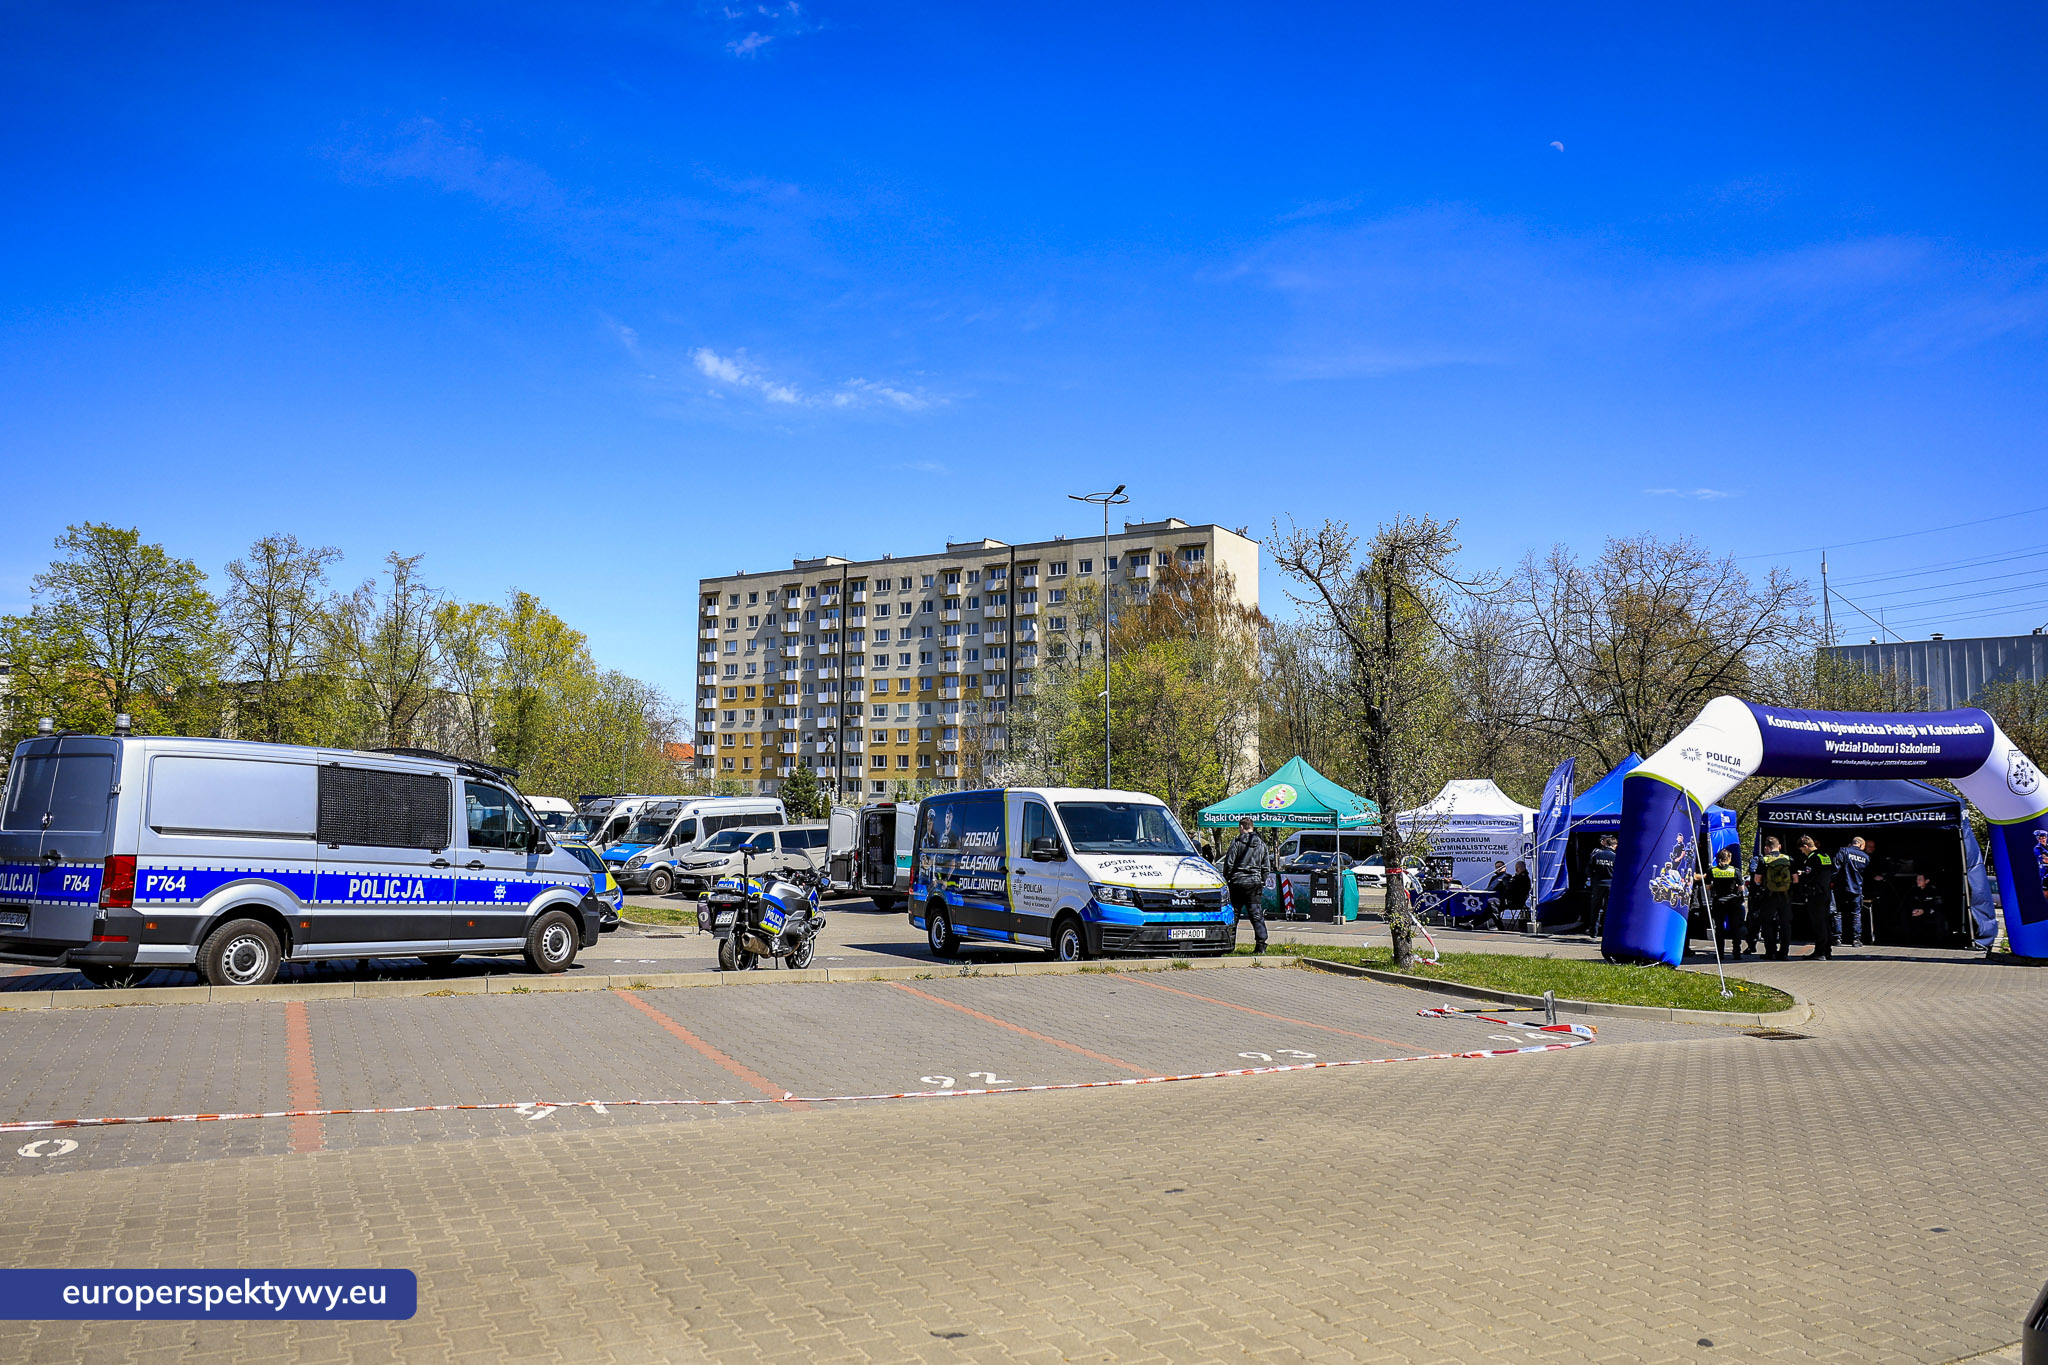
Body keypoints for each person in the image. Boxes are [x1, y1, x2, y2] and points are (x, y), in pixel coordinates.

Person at [1219, 816, 1272, 954]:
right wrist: (1262, 881)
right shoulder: (1262, 844)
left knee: (1234, 914)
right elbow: (1266, 867)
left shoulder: (1236, 842)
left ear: (1242, 827)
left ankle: (1229, 944)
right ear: (1252, 827)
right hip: (1254, 884)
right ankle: (1261, 944)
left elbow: (1229, 863)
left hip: (1237, 883)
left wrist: (1228, 878)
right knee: (1256, 915)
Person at [1751, 836, 1794, 961]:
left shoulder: (1764, 860)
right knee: (1785, 924)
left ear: (1767, 848)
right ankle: (1784, 953)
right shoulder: (1788, 859)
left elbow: (1757, 880)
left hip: (1769, 896)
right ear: (1779, 846)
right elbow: (1795, 879)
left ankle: (1771, 952)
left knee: (1768, 923)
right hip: (1785, 896)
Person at [1794, 835, 1834, 960]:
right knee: (1826, 923)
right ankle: (1827, 951)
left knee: (1818, 924)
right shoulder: (1825, 856)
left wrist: (1801, 875)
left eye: (1802, 850)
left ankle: (1820, 952)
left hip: (1816, 895)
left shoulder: (1812, 858)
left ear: (1806, 846)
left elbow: (1809, 877)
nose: (1802, 852)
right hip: (1826, 893)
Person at [1706, 847, 1747, 958]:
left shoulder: (1712, 870)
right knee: (1735, 927)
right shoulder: (1735, 871)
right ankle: (1737, 953)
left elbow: (1708, 887)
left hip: (1718, 901)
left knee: (1719, 929)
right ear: (1729, 859)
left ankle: (1720, 954)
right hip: (1733, 901)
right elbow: (1741, 888)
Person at [1834, 836, 1870, 947]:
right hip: (1856, 888)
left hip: (1841, 887)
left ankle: (1837, 939)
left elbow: (1835, 868)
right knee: (1856, 914)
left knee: (1838, 913)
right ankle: (1856, 940)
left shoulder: (1844, 851)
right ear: (1861, 845)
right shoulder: (1865, 857)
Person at [1587, 833, 1617, 935]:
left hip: (1598, 884)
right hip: (1610, 884)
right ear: (1614, 845)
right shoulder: (1615, 857)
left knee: (1596, 907)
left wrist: (1594, 878)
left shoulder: (1596, 855)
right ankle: (1606, 932)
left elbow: (1588, 870)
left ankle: (1593, 931)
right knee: (1609, 908)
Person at [1906, 873, 1945, 944]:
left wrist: (1924, 910)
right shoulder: (1914, 889)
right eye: (1917, 879)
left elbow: (1938, 904)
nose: (1917, 881)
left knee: (1939, 915)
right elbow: (1910, 901)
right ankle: (1909, 940)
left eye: (1920, 879)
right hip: (1917, 911)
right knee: (1904, 914)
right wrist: (1913, 909)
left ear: (1926, 881)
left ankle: (1940, 942)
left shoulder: (1933, 890)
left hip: (1930, 912)